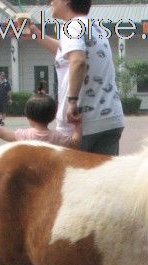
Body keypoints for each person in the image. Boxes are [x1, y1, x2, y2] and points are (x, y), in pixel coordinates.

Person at [29, 0, 124, 155]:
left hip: (82, 122)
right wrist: (35, 33)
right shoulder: (94, 27)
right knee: (103, 178)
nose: (51, 2)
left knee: (72, 178)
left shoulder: (71, 27)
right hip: (110, 119)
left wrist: (72, 101)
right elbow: (65, 52)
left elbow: (77, 60)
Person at [0, 93, 81, 148]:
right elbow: (75, 142)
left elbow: (3, 134)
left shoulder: (24, 135)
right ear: (53, 116)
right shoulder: (57, 136)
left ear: (28, 116)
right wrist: (77, 124)